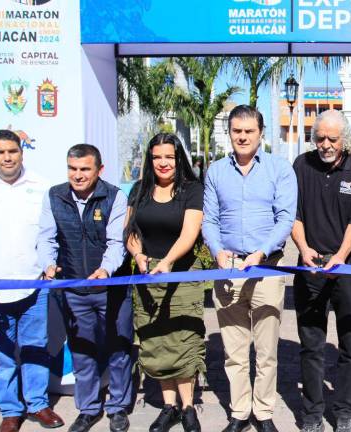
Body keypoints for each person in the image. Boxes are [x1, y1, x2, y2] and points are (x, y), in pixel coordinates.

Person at [202, 105, 297, 432]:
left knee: (267, 350)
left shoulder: (279, 169)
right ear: (229, 133)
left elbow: (285, 218)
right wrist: (217, 251)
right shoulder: (216, 171)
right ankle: (240, 412)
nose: (242, 137)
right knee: (235, 350)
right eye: (237, 131)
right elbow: (210, 220)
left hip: (266, 268)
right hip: (227, 271)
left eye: (249, 131)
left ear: (261, 134)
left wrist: (261, 252)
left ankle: (264, 411)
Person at [0, 129, 64, 432]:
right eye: (0, 152)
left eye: (12, 151)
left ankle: (37, 404)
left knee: (36, 346)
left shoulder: (41, 186)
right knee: (0, 352)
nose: (7, 157)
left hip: (33, 284)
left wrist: (49, 265)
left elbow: (49, 233)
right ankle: (10, 411)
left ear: (22, 153)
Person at [290, 110, 351, 432]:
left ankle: (345, 412)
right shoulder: (302, 165)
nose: (325, 144)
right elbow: (294, 214)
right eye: (320, 138)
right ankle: (312, 414)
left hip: (348, 268)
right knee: (311, 346)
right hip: (310, 268)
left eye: (332, 139)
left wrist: (340, 256)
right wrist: (303, 249)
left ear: (346, 140)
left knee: (350, 346)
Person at [37, 144, 132, 432]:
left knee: (118, 350)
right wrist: (48, 265)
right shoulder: (54, 196)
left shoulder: (115, 196)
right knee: (82, 352)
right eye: (72, 169)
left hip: (111, 288)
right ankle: (88, 409)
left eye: (85, 169)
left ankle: (118, 407)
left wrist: (105, 270)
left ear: (99, 170)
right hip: (74, 290)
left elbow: (117, 242)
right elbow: (46, 238)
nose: (77, 175)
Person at [124, 133, 205, 432]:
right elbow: (131, 231)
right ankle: (169, 406)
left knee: (183, 339)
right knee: (156, 341)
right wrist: (139, 255)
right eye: (157, 157)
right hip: (147, 276)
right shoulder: (139, 190)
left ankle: (188, 406)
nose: (163, 163)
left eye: (169, 157)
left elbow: (190, 233)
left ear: (178, 158)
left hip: (182, 275)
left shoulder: (192, 190)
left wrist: (168, 261)